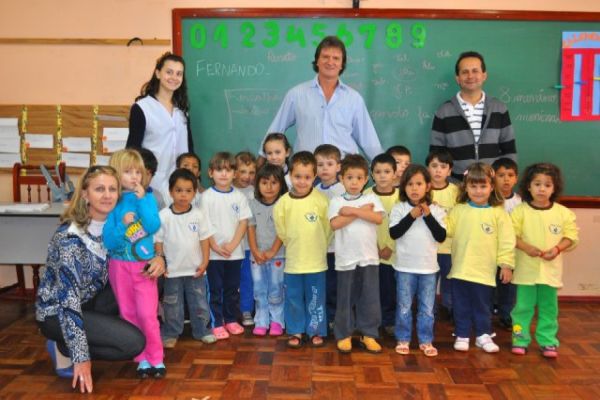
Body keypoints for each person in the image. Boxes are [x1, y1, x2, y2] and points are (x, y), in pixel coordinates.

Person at [36, 166, 162, 394]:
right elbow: (69, 301)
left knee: (149, 277)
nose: (107, 195)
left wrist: (160, 259)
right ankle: (65, 345)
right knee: (133, 344)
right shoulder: (70, 238)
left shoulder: (116, 225)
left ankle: (71, 341)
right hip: (60, 311)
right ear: (85, 194)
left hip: (92, 299)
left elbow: (145, 244)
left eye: (112, 189)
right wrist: (82, 358)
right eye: (99, 189)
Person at [264, 36, 382, 160]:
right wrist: (261, 161)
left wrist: (383, 166)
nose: (330, 62)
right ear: (317, 61)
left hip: (344, 172)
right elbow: (275, 129)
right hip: (306, 172)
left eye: (336, 58)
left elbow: (369, 140)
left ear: (342, 64)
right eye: (325, 57)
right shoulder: (296, 94)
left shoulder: (354, 98)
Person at [102, 149, 164, 378]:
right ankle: (141, 358)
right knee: (128, 312)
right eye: (128, 172)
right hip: (119, 267)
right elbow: (109, 240)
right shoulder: (113, 203)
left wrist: (144, 200)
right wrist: (123, 225)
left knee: (147, 314)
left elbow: (152, 225)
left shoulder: (145, 198)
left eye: (138, 171)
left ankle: (156, 357)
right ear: (116, 175)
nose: (134, 176)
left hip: (144, 266)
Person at [511, 163, 579, 358]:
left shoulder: (563, 213)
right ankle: (519, 338)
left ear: (554, 188)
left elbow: (571, 236)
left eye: (547, 185)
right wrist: (527, 248)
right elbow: (511, 236)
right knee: (522, 308)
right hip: (526, 272)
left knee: (549, 308)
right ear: (528, 186)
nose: (542, 189)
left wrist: (557, 249)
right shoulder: (519, 211)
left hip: (550, 272)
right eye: (537, 184)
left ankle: (548, 341)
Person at [446, 162, 515, 353]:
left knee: (483, 305)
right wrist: (434, 214)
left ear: (492, 187)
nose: (478, 191)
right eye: (473, 186)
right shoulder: (459, 210)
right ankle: (462, 334)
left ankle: (483, 335)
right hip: (460, 269)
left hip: (484, 271)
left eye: (483, 186)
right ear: (465, 187)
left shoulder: (498, 213)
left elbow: (507, 241)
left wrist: (506, 265)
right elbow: (446, 230)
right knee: (460, 304)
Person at [273, 151, 331, 348]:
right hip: (294, 262)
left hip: (316, 262)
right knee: (294, 299)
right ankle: (296, 330)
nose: (302, 181)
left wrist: (319, 246)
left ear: (314, 177)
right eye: (297, 176)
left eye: (307, 177)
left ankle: (315, 331)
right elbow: (281, 230)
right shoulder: (283, 203)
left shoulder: (322, 201)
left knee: (316, 299)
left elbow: (328, 229)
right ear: (290, 175)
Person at [430, 51, 517, 181]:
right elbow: (436, 154)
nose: (470, 76)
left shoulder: (499, 109)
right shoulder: (444, 111)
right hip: (456, 186)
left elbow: (509, 149)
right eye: (465, 72)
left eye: (475, 71)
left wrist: (504, 179)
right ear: (457, 78)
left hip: (491, 186)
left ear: (484, 75)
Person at [329, 154, 384, 354]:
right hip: (345, 259)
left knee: (369, 297)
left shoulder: (371, 198)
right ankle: (344, 334)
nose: (354, 182)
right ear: (341, 178)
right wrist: (361, 211)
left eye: (359, 178)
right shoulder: (336, 201)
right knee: (345, 298)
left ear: (366, 179)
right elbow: (335, 223)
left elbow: (377, 219)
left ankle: (369, 333)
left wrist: (352, 210)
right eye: (350, 177)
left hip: (368, 257)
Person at [389, 164, 446, 357]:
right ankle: (403, 338)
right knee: (404, 306)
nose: (414, 188)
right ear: (403, 187)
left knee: (427, 308)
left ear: (428, 186)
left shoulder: (436, 211)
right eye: (410, 184)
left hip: (428, 268)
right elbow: (394, 233)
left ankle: (425, 340)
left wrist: (428, 215)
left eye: (419, 183)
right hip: (405, 267)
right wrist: (411, 216)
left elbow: (441, 236)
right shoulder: (399, 208)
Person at [156, 168, 216, 348]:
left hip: (196, 270)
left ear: (195, 192)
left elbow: (204, 240)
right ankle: (171, 333)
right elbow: (158, 242)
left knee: (199, 302)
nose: (183, 195)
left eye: (188, 191)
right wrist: (162, 262)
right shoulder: (163, 216)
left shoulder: (199, 215)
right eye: (179, 190)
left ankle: (202, 331)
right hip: (171, 271)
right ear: (170, 192)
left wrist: (205, 262)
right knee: (172, 305)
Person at [126, 52, 194, 202]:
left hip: (181, 184)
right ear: (158, 73)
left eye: (179, 74)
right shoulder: (142, 108)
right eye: (169, 72)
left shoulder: (182, 110)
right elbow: (132, 150)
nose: (174, 78)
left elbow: (189, 148)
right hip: (152, 183)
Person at [201, 152, 252, 340]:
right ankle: (216, 321)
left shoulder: (239, 197)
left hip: (235, 253)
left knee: (232, 289)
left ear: (235, 174)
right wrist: (214, 245)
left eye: (228, 170)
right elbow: (203, 225)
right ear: (210, 173)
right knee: (215, 289)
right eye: (219, 170)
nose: (224, 174)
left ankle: (230, 319)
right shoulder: (206, 197)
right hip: (213, 255)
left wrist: (232, 245)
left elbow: (243, 223)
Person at [247, 164, 288, 336]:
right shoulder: (252, 204)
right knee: (259, 290)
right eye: (264, 182)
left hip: (278, 255)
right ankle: (261, 321)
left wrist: (272, 251)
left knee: (276, 289)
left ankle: (277, 321)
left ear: (281, 184)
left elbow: (283, 230)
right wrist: (255, 251)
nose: (269, 187)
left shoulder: (284, 203)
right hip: (257, 257)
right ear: (258, 184)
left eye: (274, 182)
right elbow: (250, 228)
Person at [364, 153, 398, 336]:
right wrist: (375, 248)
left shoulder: (402, 197)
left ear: (395, 174)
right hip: (371, 254)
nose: (383, 176)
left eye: (387, 171)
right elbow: (363, 225)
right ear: (371, 174)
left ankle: (389, 321)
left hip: (394, 254)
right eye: (378, 172)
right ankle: (371, 322)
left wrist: (390, 246)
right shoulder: (366, 196)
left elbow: (404, 226)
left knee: (390, 292)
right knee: (370, 291)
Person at [313, 144, 344, 329]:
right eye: (319, 164)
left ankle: (333, 318)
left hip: (337, 248)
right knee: (321, 285)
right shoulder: (313, 190)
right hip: (318, 248)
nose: (324, 168)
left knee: (334, 286)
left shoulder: (343, 190)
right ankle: (322, 317)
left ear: (338, 166)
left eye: (329, 163)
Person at [426, 148, 459, 320]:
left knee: (449, 280)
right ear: (428, 169)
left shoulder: (456, 191)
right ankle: (429, 309)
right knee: (430, 281)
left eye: (443, 166)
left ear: (449, 170)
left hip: (449, 247)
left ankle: (449, 307)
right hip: (428, 247)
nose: (438, 170)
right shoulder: (424, 190)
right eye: (434, 165)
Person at [492, 157, 521, 330]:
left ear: (516, 178)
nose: (506, 179)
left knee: (508, 286)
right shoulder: (488, 200)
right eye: (501, 175)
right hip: (489, 250)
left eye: (510, 175)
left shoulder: (520, 202)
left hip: (510, 252)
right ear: (493, 177)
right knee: (490, 284)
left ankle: (506, 314)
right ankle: (489, 310)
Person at [233, 151, 258, 327]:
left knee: (248, 279)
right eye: (242, 171)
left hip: (249, 245)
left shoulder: (255, 192)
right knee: (231, 280)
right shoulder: (228, 191)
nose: (247, 176)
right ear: (234, 171)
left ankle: (246, 309)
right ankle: (228, 311)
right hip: (231, 246)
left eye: (251, 172)